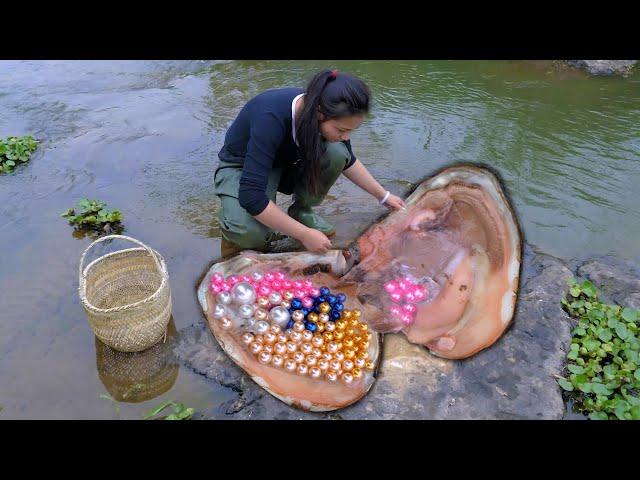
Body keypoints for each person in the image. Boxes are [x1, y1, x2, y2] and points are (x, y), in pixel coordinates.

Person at [214, 68, 406, 256]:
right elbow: (252, 198)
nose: (346, 136)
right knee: (249, 235)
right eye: (341, 130)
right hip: (243, 165)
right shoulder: (270, 118)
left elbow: (347, 160)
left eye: (350, 131)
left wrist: (383, 196)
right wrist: (303, 234)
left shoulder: (323, 111)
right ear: (319, 114)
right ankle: (235, 237)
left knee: (337, 151)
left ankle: (301, 211)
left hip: (288, 161)